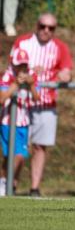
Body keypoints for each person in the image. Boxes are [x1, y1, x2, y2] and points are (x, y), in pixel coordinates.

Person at [10, 13, 72, 196]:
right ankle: (10, 184)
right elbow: (11, 68)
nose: (46, 30)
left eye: (51, 28)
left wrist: (64, 76)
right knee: (18, 147)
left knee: (39, 146)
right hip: (21, 103)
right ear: (37, 25)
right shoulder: (23, 42)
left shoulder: (60, 47)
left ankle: (34, 187)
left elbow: (67, 71)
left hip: (46, 103)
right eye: (43, 26)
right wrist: (29, 72)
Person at [0, 49, 39, 195]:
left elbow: (36, 99)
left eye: (24, 65)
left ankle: (8, 184)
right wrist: (15, 84)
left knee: (16, 156)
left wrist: (32, 85)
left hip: (24, 122)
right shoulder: (6, 77)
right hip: (8, 122)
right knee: (17, 155)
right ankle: (5, 183)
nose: (21, 68)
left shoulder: (30, 77)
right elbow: (2, 99)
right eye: (18, 65)